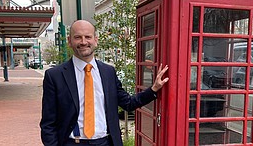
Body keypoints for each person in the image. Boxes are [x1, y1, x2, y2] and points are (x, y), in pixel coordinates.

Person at [40, 20, 169, 146]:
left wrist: (153, 89)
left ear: (96, 40)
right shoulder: (55, 76)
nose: (83, 42)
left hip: (105, 142)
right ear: (69, 41)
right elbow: (48, 123)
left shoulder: (108, 72)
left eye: (88, 37)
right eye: (78, 37)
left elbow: (128, 103)